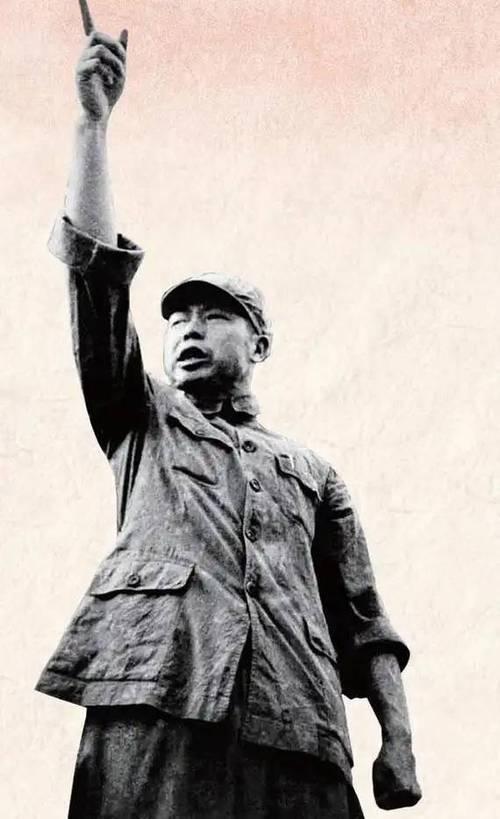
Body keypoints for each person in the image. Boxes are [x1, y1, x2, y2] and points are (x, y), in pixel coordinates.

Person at [36, 28, 422, 818]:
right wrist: (93, 125)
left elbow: (364, 620)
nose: (188, 329)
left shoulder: (313, 471)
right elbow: (97, 279)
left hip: (302, 730)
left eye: (213, 315)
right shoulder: (141, 417)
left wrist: (398, 737)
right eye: (178, 317)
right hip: (156, 704)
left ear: (260, 342)